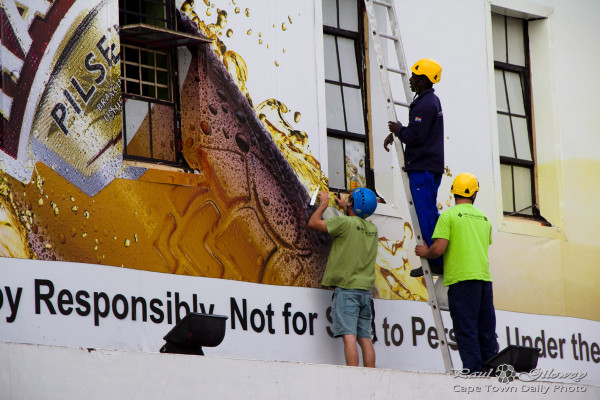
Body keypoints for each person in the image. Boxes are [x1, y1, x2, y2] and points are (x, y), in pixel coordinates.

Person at [415, 172, 498, 373]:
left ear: (454, 193)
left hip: (462, 281)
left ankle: (473, 373)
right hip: (484, 281)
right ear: (474, 194)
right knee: (486, 330)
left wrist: (426, 252)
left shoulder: (449, 216)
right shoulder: (485, 219)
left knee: (466, 330)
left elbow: (439, 247)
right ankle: (492, 372)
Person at [383, 58, 444, 277]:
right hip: (430, 165)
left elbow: (417, 136)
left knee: (425, 212)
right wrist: (398, 134)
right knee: (429, 211)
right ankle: (438, 255)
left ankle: (435, 258)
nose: (410, 79)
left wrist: (400, 130)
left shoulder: (425, 105)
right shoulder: (430, 102)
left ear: (424, 80)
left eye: (415, 76)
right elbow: (420, 131)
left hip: (423, 167)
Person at [307, 188, 378, 367]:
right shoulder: (372, 229)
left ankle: (353, 377)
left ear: (353, 204)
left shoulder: (344, 223)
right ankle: (370, 376)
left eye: (350, 199)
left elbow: (313, 223)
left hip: (347, 290)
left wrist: (323, 204)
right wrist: (346, 207)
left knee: (349, 337)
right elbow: (355, 224)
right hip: (365, 292)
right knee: (365, 339)